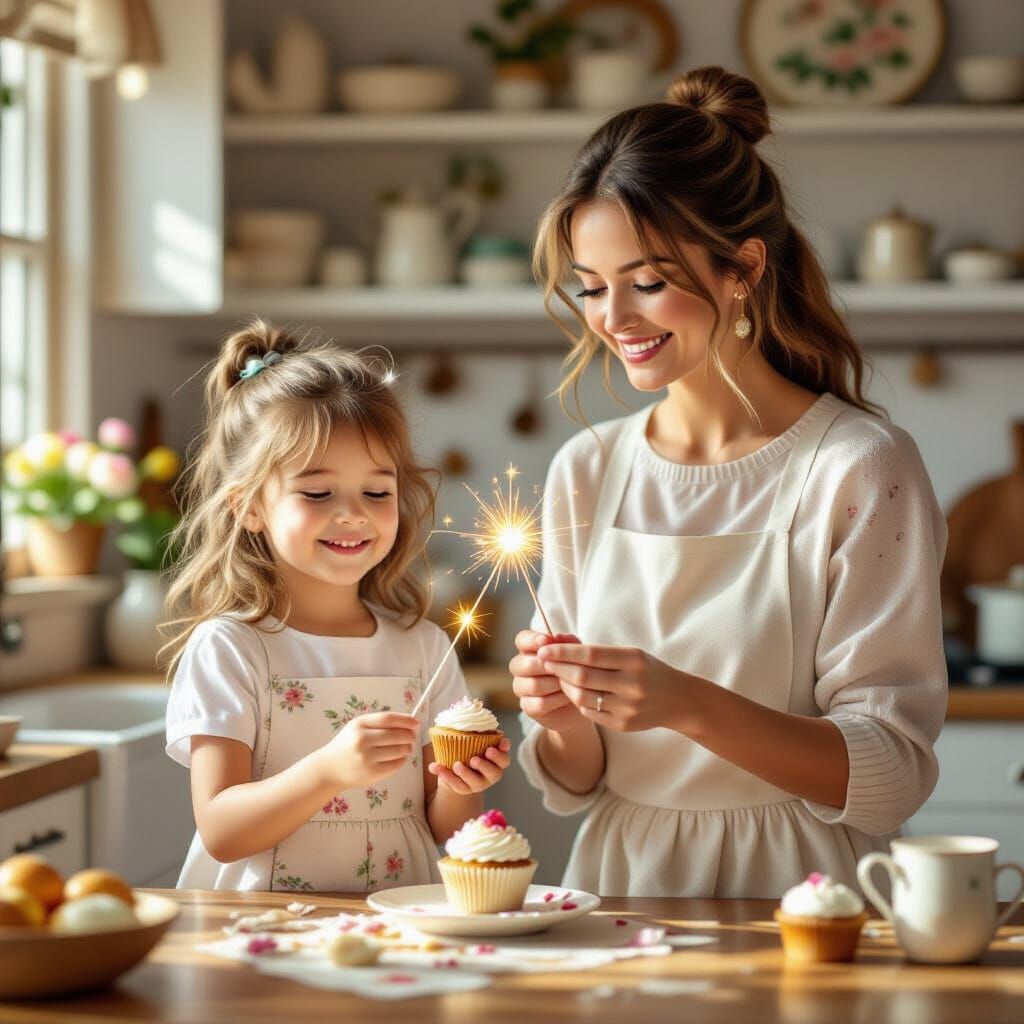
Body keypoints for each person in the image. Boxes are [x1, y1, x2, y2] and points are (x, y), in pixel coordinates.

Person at [511, 67, 947, 897]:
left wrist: (686, 704)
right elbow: (572, 787)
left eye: (647, 283)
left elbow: (891, 777)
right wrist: (562, 716)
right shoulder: (587, 470)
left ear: (742, 268)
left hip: (803, 896)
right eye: (593, 288)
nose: (614, 321)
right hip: (617, 887)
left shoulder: (857, 466)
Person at [163, 320, 510, 892]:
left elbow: (451, 828)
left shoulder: (422, 645)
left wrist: (464, 784)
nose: (352, 514)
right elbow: (221, 828)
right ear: (248, 506)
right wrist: (328, 771)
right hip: (263, 931)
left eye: (377, 492)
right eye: (318, 493)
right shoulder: (232, 648)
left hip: (396, 920)